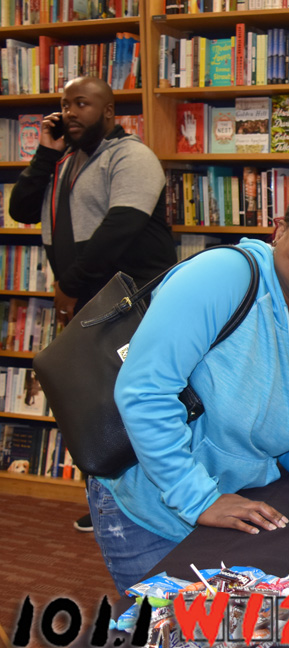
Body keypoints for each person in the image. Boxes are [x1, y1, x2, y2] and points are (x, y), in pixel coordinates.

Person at [89, 175, 289, 595]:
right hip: (148, 511)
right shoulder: (222, 275)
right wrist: (201, 500)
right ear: (279, 230)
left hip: (231, 510)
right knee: (169, 646)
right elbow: (143, 392)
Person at [8, 76, 178, 533]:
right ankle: (109, 503)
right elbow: (21, 210)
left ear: (108, 112)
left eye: (82, 103)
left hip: (131, 303)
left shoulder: (131, 157)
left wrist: (69, 284)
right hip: (86, 300)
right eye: (64, 104)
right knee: (93, 402)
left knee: (135, 401)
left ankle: (151, 503)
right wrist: (45, 153)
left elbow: (120, 228)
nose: (69, 112)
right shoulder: (64, 162)